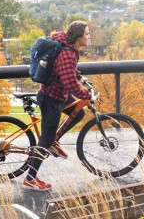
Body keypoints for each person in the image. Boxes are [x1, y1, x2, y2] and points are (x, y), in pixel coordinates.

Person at [23, 20, 97, 191]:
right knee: (45, 139)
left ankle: (53, 141)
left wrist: (80, 77)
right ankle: (30, 178)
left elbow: (68, 71)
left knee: (78, 113)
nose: (89, 36)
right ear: (78, 36)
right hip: (51, 98)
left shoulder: (69, 49)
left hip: (59, 95)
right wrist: (87, 96)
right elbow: (70, 83)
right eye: (86, 34)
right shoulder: (67, 53)